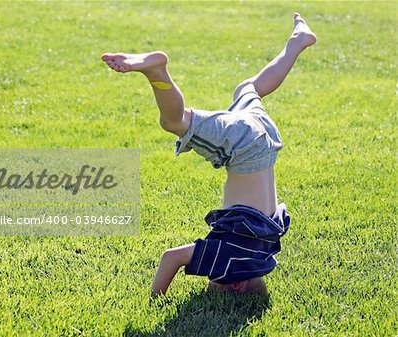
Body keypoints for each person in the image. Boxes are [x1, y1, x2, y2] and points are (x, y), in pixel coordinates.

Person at [102, 13, 316, 296]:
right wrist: (157, 298)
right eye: (211, 284)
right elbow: (172, 258)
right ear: (237, 283)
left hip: (266, 139)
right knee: (175, 123)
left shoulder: (265, 249)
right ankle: (157, 71)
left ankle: (298, 42)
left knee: (249, 88)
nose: (209, 279)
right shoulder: (230, 263)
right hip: (245, 147)